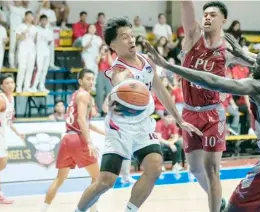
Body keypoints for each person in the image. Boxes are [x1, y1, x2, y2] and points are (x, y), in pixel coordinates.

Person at [74, 17, 201, 212]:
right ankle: (78, 210)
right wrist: (120, 89)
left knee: (155, 166)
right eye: (125, 37)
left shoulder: (146, 60)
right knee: (106, 182)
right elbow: (119, 80)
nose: (131, 40)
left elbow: (160, 90)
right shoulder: (119, 69)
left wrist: (179, 119)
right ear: (113, 45)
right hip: (120, 128)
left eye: (132, 36)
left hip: (143, 126)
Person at [145, 33, 260, 212]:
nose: (253, 65)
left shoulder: (259, 86)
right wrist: (243, 54)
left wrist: (168, 66)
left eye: (258, 62)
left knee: (234, 207)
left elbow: (214, 81)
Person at [172, 1, 256, 211]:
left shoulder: (228, 50)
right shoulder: (192, 37)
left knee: (211, 169)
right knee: (195, 169)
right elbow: (185, 4)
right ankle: (218, 201)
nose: (207, 17)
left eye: (212, 15)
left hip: (212, 113)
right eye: (205, 14)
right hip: (189, 112)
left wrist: (244, 53)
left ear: (223, 20)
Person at [41, 69, 101, 212]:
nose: (91, 82)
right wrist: (89, 142)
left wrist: (103, 132)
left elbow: (84, 121)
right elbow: (81, 119)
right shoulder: (85, 95)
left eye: (93, 79)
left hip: (67, 138)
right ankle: (92, 209)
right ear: (80, 81)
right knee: (99, 178)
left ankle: (43, 209)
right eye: (88, 79)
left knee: (59, 179)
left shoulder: (75, 95)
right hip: (77, 139)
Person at [0, 73, 24, 204]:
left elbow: (8, 121)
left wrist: (17, 133)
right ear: (1, 86)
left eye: (12, 82)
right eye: (7, 83)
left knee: (1, 165)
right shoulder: (0, 100)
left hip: (3, 136)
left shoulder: (12, 98)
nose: (10, 85)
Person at [16, 11, 37, 93]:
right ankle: (19, 86)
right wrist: (25, 30)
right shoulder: (20, 26)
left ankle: (26, 86)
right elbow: (18, 37)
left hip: (32, 49)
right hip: (22, 48)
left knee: (30, 68)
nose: (30, 17)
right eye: (28, 16)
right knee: (22, 67)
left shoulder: (35, 28)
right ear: (25, 17)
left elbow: (35, 39)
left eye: (31, 16)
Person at [31, 14, 53, 92]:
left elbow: (49, 42)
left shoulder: (49, 31)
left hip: (46, 52)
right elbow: (34, 40)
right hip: (39, 51)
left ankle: (41, 86)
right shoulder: (36, 29)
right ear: (40, 21)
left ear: (47, 21)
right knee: (39, 69)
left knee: (44, 70)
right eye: (43, 20)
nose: (44, 22)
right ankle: (34, 86)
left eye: (45, 20)